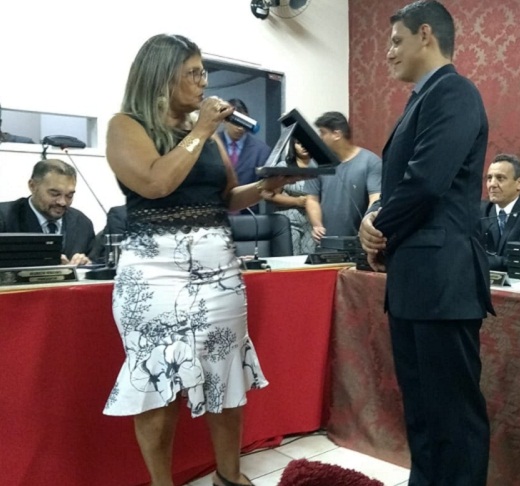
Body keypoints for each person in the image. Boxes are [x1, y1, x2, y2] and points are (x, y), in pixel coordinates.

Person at [102, 34, 299, 486]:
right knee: (157, 381)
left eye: (203, 71)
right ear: (161, 76)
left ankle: (228, 476)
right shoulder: (125, 126)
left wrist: (266, 187)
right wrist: (201, 130)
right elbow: (155, 183)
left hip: (218, 273)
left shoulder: (205, 135)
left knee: (226, 374)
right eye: (193, 72)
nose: (203, 81)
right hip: (154, 275)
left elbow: (226, 198)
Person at [358, 2, 493, 485]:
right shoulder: (421, 98)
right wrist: (374, 219)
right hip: (416, 280)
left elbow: (426, 181)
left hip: (443, 281)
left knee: (453, 418)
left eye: (396, 41)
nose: (388, 53)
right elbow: (403, 186)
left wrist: (379, 227)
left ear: (426, 35)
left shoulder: (455, 92)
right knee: (422, 414)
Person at [0, 158, 95, 265]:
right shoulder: (4, 218)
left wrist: (86, 265)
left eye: (69, 195)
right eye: (55, 194)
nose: (62, 202)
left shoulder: (82, 224)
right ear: (32, 186)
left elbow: (95, 264)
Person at [305, 111, 381, 242]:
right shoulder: (316, 163)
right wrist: (317, 225)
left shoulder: (371, 162)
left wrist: (366, 226)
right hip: (326, 241)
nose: (320, 138)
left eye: (323, 133)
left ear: (337, 134)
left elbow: (375, 198)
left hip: (359, 242)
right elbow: (312, 199)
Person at [217, 98, 271, 213]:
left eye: (244, 122)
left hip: (248, 215)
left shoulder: (261, 150)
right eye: (236, 122)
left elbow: (267, 188)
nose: (240, 128)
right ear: (225, 120)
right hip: (215, 212)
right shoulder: (210, 144)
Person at [264, 138, 317, 254]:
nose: (303, 146)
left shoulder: (320, 167)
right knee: (291, 258)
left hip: (312, 223)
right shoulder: (284, 166)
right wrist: (297, 201)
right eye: (298, 143)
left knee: (310, 260)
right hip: (288, 222)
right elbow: (269, 195)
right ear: (293, 145)